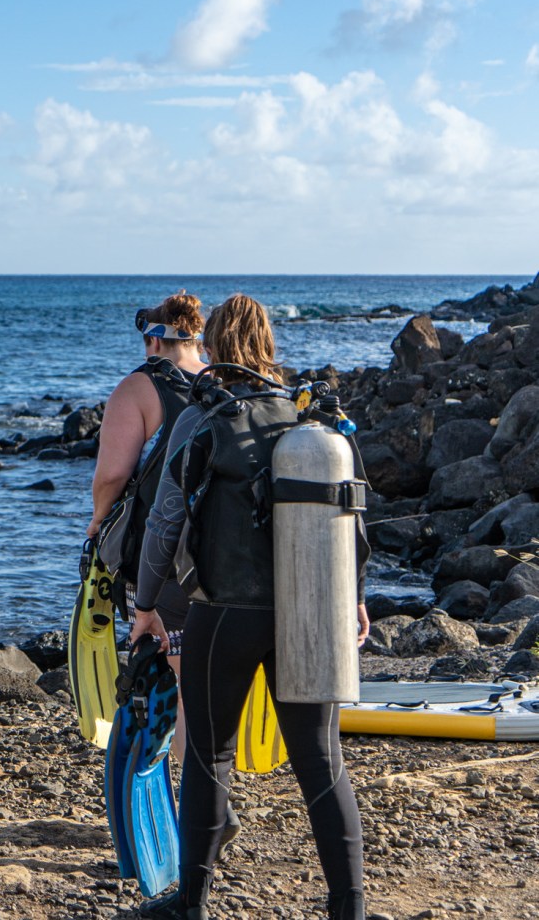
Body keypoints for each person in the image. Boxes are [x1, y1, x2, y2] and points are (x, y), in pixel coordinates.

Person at [129, 294, 370, 920]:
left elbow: (163, 524)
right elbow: (352, 521)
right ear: (268, 346)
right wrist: (357, 599)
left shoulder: (204, 419)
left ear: (210, 346)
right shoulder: (308, 423)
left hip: (225, 612)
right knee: (321, 761)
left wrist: (147, 603)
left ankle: (192, 904)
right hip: (307, 612)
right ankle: (350, 907)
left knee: (209, 755)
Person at [89, 293, 206, 760]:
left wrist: (99, 519)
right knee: (210, 678)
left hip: (162, 554)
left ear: (153, 340)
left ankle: (205, 805)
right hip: (225, 553)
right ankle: (212, 793)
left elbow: (113, 474)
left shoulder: (139, 388)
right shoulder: (229, 384)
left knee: (180, 680)